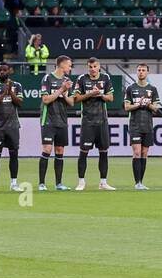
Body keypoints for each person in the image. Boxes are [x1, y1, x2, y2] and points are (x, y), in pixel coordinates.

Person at [73, 57, 116, 191]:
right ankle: (81, 182)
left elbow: (111, 97)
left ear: (99, 67)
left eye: (95, 66)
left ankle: (103, 182)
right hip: (87, 121)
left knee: (103, 151)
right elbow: (76, 98)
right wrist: (90, 93)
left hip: (102, 121)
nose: (92, 69)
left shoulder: (105, 78)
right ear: (88, 68)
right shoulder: (82, 79)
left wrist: (101, 95)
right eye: (90, 67)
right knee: (83, 152)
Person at [0, 62, 24, 193]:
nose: (2, 72)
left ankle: (14, 183)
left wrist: (10, 92)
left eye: (4, 70)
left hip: (13, 126)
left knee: (14, 155)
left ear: (9, 71)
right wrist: (3, 94)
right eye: (0, 70)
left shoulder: (17, 85)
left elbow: (19, 103)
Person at [38, 55, 75, 191]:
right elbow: (46, 100)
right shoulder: (47, 78)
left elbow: (71, 102)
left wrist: (64, 92)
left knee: (60, 151)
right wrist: (60, 90)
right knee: (47, 150)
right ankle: (42, 183)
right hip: (48, 119)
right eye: (69, 65)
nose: (70, 68)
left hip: (62, 120)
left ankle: (58, 183)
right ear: (61, 65)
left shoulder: (67, 81)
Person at [121, 63, 160, 190]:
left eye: (143, 70)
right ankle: (137, 182)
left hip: (147, 126)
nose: (141, 72)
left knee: (144, 153)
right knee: (137, 152)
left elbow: (156, 108)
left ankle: (141, 182)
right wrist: (139, 104)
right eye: (139, 70)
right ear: (136, 72)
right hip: (135, 125)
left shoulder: (152, 89)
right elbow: (126, 107)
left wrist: (148, 105)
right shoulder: (131, 88)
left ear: (147, 72)